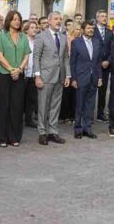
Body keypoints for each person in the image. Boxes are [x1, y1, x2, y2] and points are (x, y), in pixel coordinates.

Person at [0, 11, 30, 147]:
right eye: (14, 19)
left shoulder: (24, 37)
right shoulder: (1, 37)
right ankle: (0, 137)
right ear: (9, 21)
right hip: (3, 74)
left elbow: (26, 56)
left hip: (18, 76)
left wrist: (19, 69)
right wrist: (11, 69)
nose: (17, 22)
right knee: (2, 106)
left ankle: (14, 136)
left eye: (19, 19)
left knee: (16, 106)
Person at [33, 12, 71, 145]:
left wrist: (68, 75)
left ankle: (53, 132)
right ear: (49, 21)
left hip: (60, 76)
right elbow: (36, 57)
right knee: (43, 106)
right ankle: (42, 132)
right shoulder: (41, 36)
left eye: (60, 19)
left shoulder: (63, 37)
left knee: (55, 106)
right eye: (56, 19)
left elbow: (66, 57)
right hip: (45, 76)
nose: (59, 21)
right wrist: (37, 76)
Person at [70, 20, 102, 139]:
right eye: (88, 28)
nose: (91, 30)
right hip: (80, 78)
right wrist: (73, 78)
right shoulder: (76, 42)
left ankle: (87, 128)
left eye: (92, 28)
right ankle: (78, 129)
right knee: (80, 104)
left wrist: (99, 77)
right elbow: (72, 62)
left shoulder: (97, 42)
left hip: (93, 78)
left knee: (90, 105)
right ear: (83, 29)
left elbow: (98, 62)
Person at [94, 10, 114, 121]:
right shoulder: (92, 30)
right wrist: (98, 62)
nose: (104, 18)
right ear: (97, 18)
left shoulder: (110, 33)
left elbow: (113, 49)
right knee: (91, 90)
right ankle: (87, 113)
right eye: (102, 16)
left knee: (103, 91)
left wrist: (108, 61)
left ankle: (100, 114)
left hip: (106, 66)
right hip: (94, 65)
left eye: (106, 16)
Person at [59, 24, 81, 124]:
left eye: (79, 29)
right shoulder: (66, 39)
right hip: (66, 68)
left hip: (77, 69)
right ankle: (65, 115)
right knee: (66, 93)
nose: (78, 31)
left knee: (75, 93)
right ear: (72, 30)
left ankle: (73, 114)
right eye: (76, 29)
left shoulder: (80, 40)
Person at [22, 21, 38, 128]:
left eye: (35, 27)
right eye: (32, 27)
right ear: (26, 30)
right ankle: (18, 118)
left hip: (33, 73)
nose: (34, 29)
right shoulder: (23, 40)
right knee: (20, 97)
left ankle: (29, 119)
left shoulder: (37, 41)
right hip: (24, 73)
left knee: (32, 98)